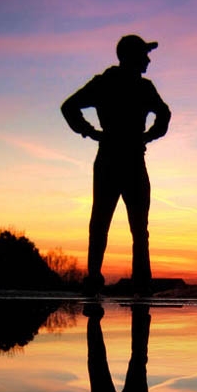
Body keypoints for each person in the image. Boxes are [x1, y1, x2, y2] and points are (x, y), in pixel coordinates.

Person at [61, 35, 171, 296]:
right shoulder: (120, 84)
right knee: (114, 224)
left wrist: (93, 132)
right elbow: (69, 107)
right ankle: (113, 281)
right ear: (132, 57)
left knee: (115, 224)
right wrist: (90, 131)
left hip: (121, 157)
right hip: (121, 158)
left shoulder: (117, 84)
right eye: (144, 54)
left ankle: (129, 282)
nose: (148, 59)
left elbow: (164, 114)